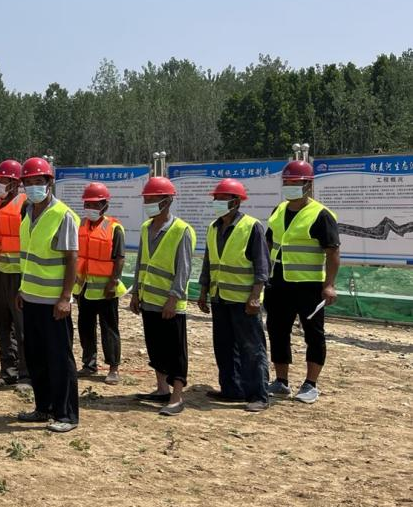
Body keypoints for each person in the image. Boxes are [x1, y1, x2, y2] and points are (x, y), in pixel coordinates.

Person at [13, 158, 81, 434]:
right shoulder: (27, 212)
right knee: (36, 357)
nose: (33, 187)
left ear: (49, 183)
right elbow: (29, 257)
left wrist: (65, 297)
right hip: (31, 298)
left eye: (38, 182)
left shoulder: (62, 215)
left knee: (59, 358)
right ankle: (44, 407)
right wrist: (22, 289)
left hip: (54, 303)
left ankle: (67, 414)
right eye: (28, 182)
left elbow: (71, 258)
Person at [264, 160, 339, 405]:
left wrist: (329, 284)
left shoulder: (321, 214)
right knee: (277, 331)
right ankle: (281, 381)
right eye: (286, 182)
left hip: (309, 286)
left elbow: (332, 252)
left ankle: (310, 384)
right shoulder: (278, 210)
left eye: (295, 182)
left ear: (308, 185)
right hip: (278, 283)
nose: (289, 186)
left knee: (313, 334)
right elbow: (269, 243)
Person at [197, 179, 271, 411]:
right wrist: (203, 291)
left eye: (223, 198)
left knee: (251, 348)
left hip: (243, 300)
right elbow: (209, 262)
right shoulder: (213, 227)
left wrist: (255, 297)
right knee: (224, 346)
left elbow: (262, 266)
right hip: (219, 297)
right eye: (216, 198)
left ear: (236, 202)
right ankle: (232, 389)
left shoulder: (251, 226)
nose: (217, 202)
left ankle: (258, 395)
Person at [129, 177, 196, 416]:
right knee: (155, 347)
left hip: (170, 304)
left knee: (176, 351)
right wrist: (135, 292)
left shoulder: (182, 230)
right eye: (146, 198)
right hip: (148, 300)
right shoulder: (146, 228)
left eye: (152, 198)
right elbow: (141, 262)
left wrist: (173, 298)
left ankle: (177, 397)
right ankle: (161, 389)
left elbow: (184, 269)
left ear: (167, 201)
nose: (147, 202)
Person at [0, 159, 29, 387]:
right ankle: (8, 370)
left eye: (3, 180)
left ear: (15, 183)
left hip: (19, 275)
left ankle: (26, 373)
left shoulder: (25, 205)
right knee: (2, 325)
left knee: (22, 327)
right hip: (1, 272)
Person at [74, 182, 126, 384]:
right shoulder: (80, 225)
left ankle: (113, 367)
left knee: (109, 328)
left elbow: (119, 258)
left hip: (106, 289)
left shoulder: (114, 228)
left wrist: (113, 282)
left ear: (105, 206)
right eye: (87, 204)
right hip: (84, 287)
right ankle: (89, 364)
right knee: (85, 326)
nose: (91, 208)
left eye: (95, 204)